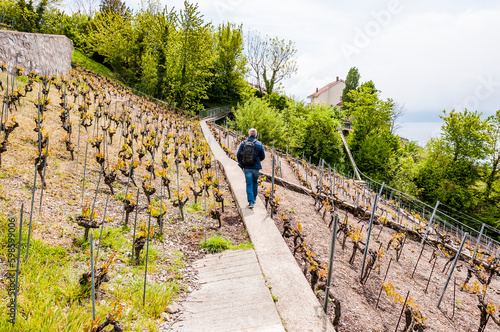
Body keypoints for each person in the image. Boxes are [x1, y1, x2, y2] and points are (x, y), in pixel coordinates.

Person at [236, 128, 265, 209]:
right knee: (255, 182)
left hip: (247, 167)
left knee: (249, 184)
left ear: (248, 134)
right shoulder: (259, 144)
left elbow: (238, 155)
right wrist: (257, 161)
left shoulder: (243, 143)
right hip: (256, 167)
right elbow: (263, 156)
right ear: (256, 135)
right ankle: (254, 198)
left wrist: (242, 163)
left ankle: (251, 202)